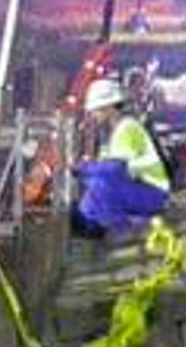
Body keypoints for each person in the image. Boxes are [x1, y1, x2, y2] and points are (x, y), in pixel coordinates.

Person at [72, 75, 170, 237]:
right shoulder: (114, 130)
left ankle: (130, 225)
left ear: (109, 108)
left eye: (97, 110)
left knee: (100, 186)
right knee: (94, 189)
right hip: (141, 186)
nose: (94, 116)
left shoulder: (126, 128)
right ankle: (105, 224)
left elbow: (115, 169)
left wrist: (82, 169)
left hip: (152, 191)